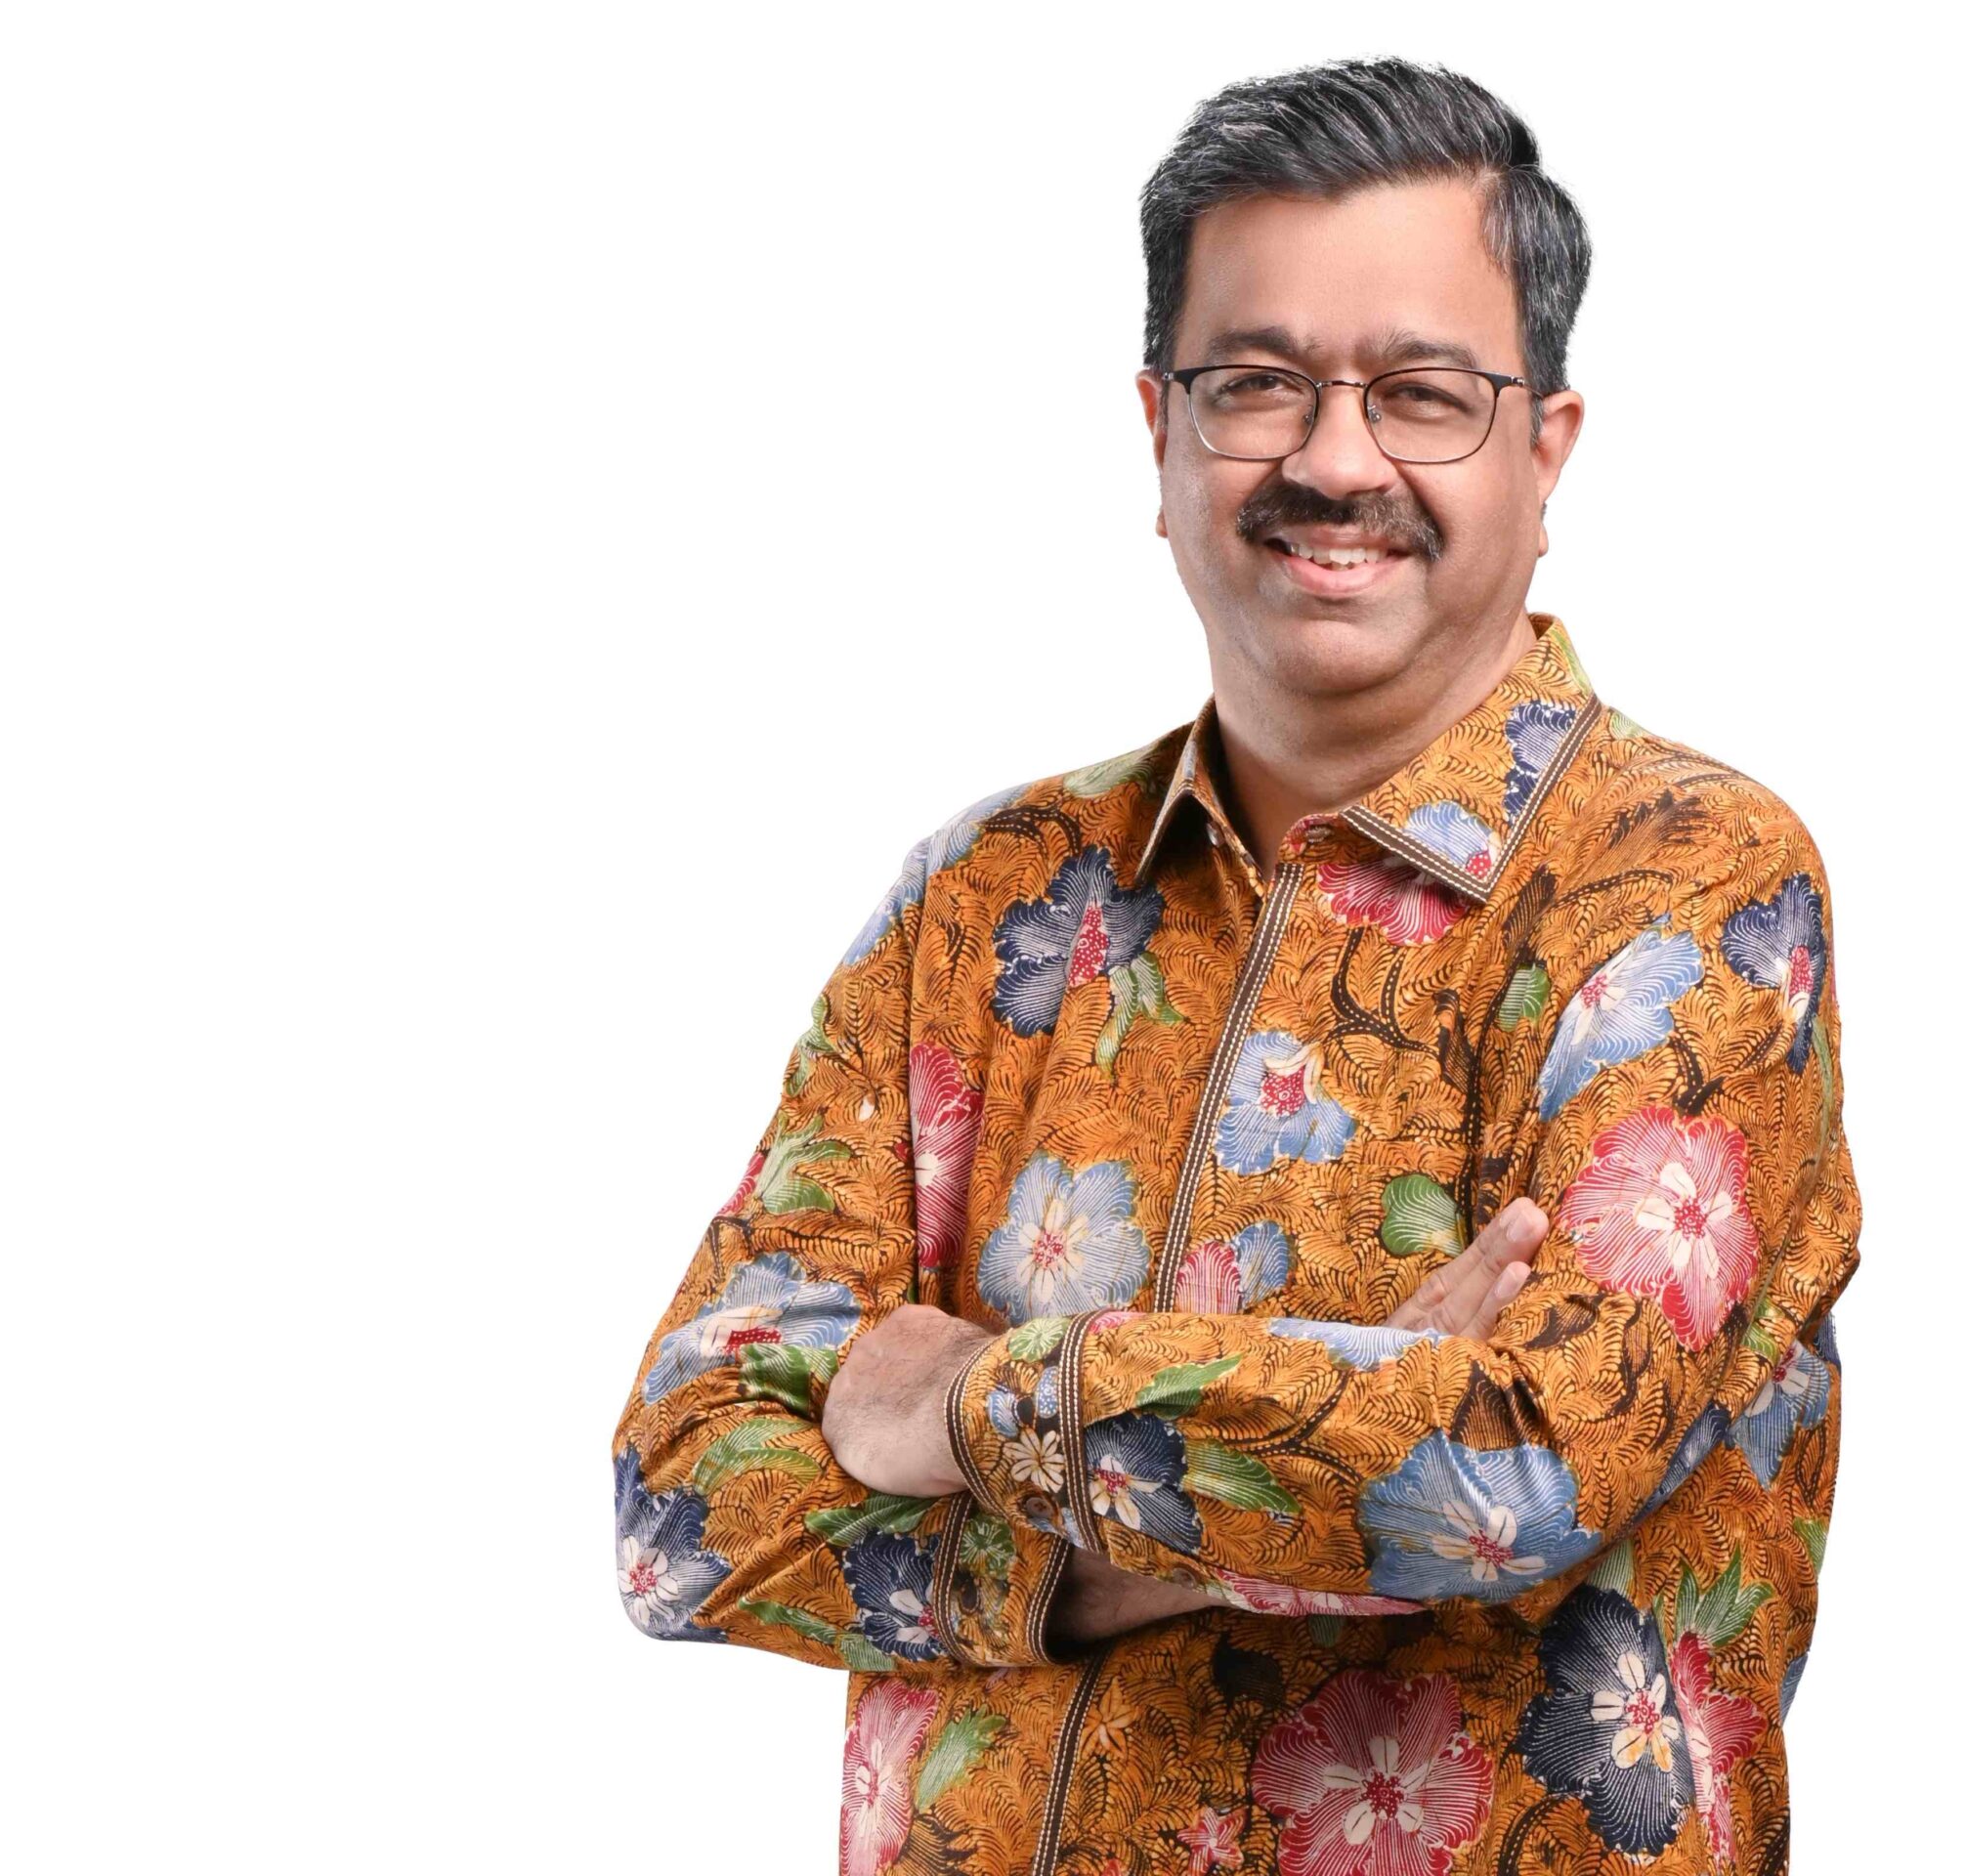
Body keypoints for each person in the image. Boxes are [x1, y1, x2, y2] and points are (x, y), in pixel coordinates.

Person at [611, 56, 1860, 1876]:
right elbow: (674, 1501)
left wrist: (959, 1402)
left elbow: (1507, 1472)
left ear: (1546, 449)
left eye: (1421, 393)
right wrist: (1221, 1488)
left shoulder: (1686, 882)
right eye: (1258, 384)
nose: (1334, 461)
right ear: (1160, 431)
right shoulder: (988, 901)